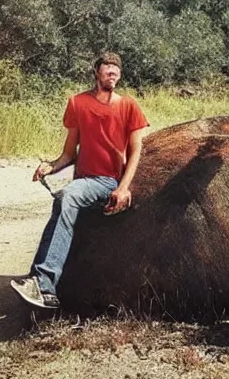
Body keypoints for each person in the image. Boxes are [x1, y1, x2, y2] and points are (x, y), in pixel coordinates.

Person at [11, 52, 149, 308]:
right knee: (62, 204)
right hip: (83, 180)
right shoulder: (77, 103)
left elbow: (136, 151)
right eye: (108, 66)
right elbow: (69, 153)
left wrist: (123, 187)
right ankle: (44, 287)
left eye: (117, 68)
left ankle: (42, 283)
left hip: (108, 181)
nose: (114, 72)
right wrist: (51, 166)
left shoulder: (129, 106)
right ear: (97, 70)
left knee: (68, 196)